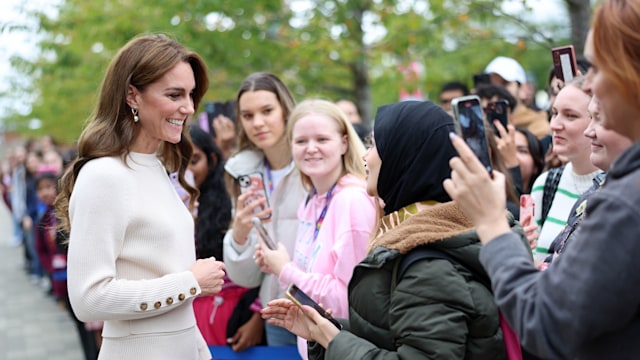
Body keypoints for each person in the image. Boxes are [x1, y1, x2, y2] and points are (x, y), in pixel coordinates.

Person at [443, 2, 640, 356]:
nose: (589, 83)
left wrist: (491, 224)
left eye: (597, 67)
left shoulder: (626, 203)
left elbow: (548, 324)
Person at [262, 101, 516, 359]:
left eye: (375, 145)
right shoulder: (422, 235)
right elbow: (390, 332)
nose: (365, 155)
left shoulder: (428, 264)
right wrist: (325, 332)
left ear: (403, 157)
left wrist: (332, 339)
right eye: (300, 141)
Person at [54, 34, 226, 360]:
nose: (188, 108)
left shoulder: (156, 167)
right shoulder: (104, 175)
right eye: (174, 95)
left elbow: (174, 309)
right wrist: (190, 283)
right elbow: (88, 299)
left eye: (191, 95)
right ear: (133, 95)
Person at [257, 99, 377, 358]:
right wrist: (278, 264)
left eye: (322, 139)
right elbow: (315, 273)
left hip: (346, 349)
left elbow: (349, 299)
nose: (311, 149)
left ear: (344, 142)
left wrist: (285, 270)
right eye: (301, 141)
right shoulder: (311, 199)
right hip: (318, 348)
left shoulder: (352, 201)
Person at [222, 72, 306, 346]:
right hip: (277, 313)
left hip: (322, 307)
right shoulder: (244, 173)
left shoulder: (314, 162)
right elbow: (246, 277)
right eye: (247, 115)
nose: (257, 122)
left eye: (267, 111)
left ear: (285, 110)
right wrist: (239, 236)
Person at [188, 125, 265, 350]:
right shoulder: (170, 203)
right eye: (177, 162)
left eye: (194, 161)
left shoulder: (232, 201)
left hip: (237, 310)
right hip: (192, 311)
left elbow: (262, 262)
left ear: (211, 159)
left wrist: (257, 317)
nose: (187, 171)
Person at [543, 94, 632, 266]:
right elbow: (554, 270)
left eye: (600, 119)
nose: (589, 131)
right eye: (553, 113)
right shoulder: (596, 190)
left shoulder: (625, 204)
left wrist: (495, 227)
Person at [529, 76, 600, 263]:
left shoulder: (619, 188)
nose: (555, 125)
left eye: (570, 115)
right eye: (554, 113)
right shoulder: (545, 183)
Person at [484, 56, 550, 139]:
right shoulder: (483, 124)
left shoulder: (539, 127)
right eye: (492, 85)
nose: (498, 89)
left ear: (522, 88)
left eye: (505, 83)